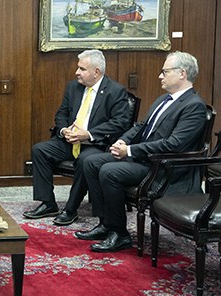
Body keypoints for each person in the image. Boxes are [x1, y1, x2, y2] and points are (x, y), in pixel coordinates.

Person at [76, 51, 208, 252]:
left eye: (165, 72)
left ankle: (119, 234)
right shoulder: (164, 99)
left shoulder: (194, 106)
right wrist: (123, 140)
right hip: (144, 159)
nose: (160, 76)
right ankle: (106, 224)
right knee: (91, 162)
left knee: (109, 171)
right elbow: (141, 126)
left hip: (162, 168)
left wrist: (129, 150)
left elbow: (173, 144)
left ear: (182, 74)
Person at [23, 50, 132, 226]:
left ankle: (70, 209)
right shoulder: (74, 87)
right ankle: (48, 203)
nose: (77, 72)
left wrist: (88, 134)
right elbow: (62, 113)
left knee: (85, 160)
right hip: (69, 141)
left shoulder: (115, 91)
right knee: (40, 150)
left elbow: (120, 123)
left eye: (82, 69)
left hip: (95, 144)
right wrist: (64, 129)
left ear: (96, 72)